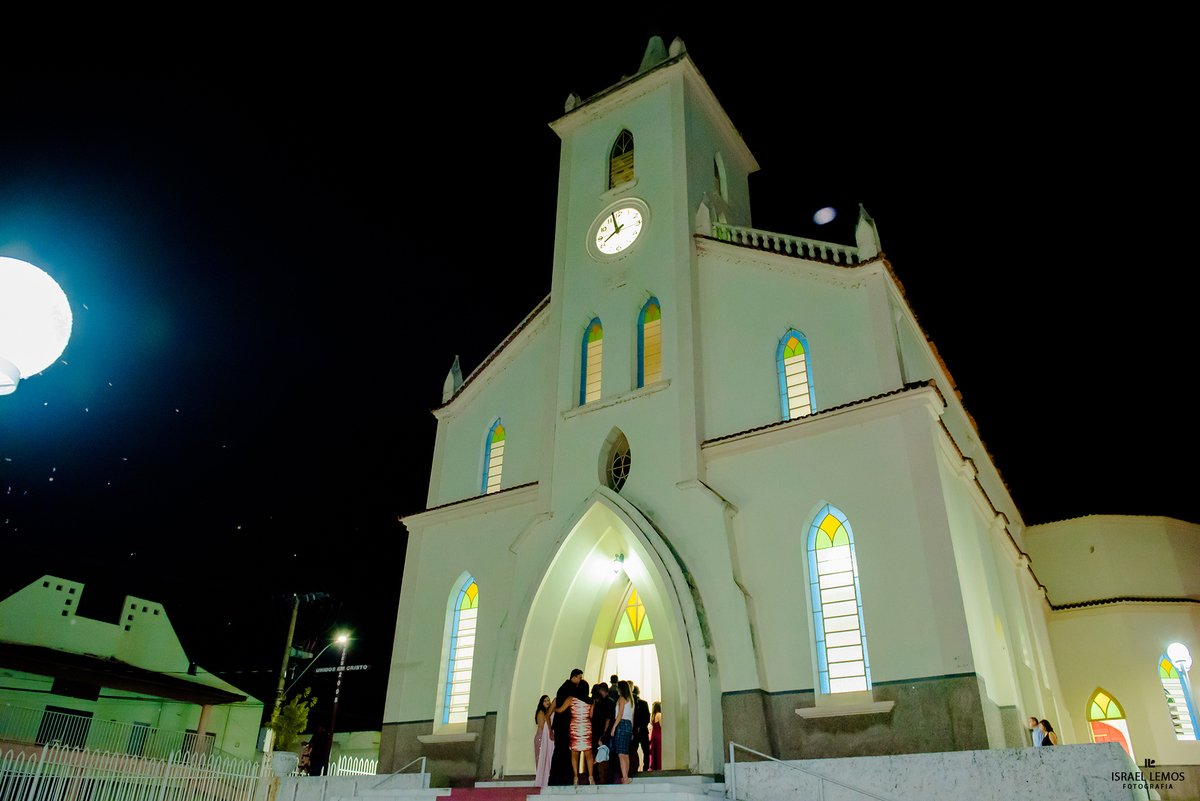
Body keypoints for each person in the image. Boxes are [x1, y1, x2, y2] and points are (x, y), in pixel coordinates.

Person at [550, 670, 583, 785]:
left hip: (559, 724)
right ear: (574, 677)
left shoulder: (562, 688)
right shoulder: (571, 688)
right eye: (579, 677)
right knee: (565, 751)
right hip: (565, 724)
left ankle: (555, 777)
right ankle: (565, 776)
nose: (580, 680)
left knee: (559, 750)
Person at [608, 680, 634, 784]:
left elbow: (620, 714)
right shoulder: (631, 701)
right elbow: (632, 716)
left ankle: (625, 777)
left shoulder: (622, 699)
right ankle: (625, 776)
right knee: (625, 753)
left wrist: (614, 727)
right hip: (628, 725)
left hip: (621, 724)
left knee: (621, 753)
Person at [570, 678, 594, 785]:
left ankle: (575, 777)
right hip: (585, 726)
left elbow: (561, 709)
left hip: (575, 725)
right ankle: (590, 777)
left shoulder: (572, 699)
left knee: (574, 752)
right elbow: (591, 715)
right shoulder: (590, 701)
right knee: (588, 753)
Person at [534, 695, 553, 787]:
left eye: (548, 700)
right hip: (540, 737)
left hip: (544, 737)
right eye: (545, 701)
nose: (547, 702)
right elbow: (541, 726)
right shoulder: (541, 713)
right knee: (540, 757)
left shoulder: (548, 712)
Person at [632, 685, 650, 777]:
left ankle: (634, 766)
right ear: (639, 692)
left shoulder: (632, 703)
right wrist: (643, 726)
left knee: (633, 749)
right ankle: (646, 767)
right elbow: (647, 717)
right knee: (645, 750)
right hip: (643, 730)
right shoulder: (644, 703)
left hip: (634, 730)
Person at [648, 701, 662, 771]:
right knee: (659, 753)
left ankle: (655, 767)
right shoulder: (659, 715)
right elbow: (662, 726)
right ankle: (659, 767)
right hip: (659, 736)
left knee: (655, 753)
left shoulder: (653, 716)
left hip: (654, 736)